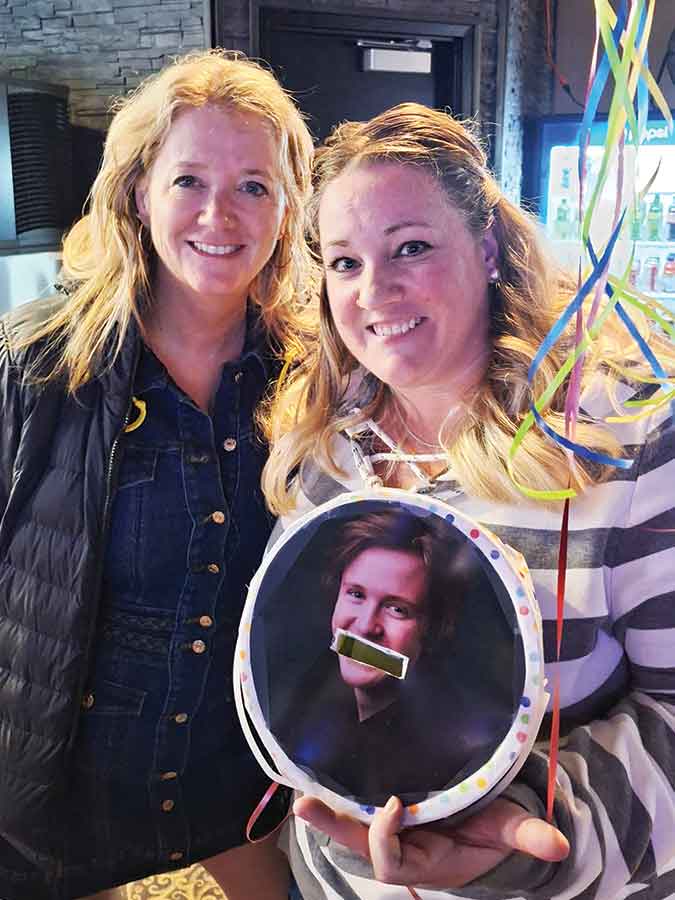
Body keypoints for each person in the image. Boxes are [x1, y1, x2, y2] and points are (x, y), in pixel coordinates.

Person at [261, 103, 675, 898]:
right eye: (344, 262)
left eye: (410, 247)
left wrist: (521, 837)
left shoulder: (620, 444)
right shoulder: (319, 444)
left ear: (486, 248)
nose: (375, 289)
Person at [0, 50, 313, 900]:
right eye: (188, 181)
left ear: (288, 208)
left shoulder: (317, 380)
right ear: (140, 193)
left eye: (254, 184)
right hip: (54, 800)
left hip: (244, 785)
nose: (221, 213)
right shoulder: (36, 366)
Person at [271, 509, 512, 806]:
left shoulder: (444, 747)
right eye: (356, 595)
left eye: (397, 609)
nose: (364, 626)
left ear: (435, 628)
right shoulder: (308, 693)